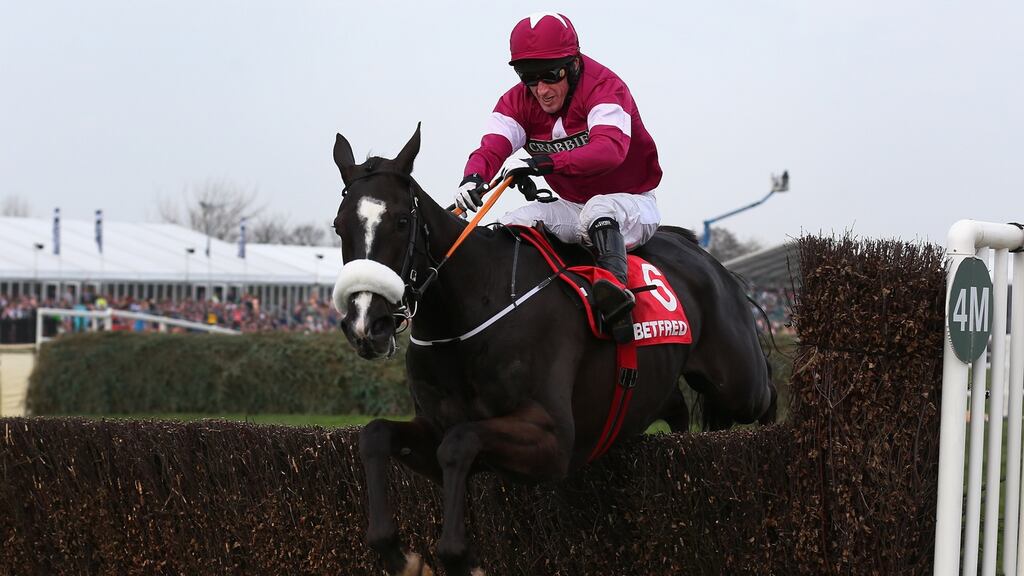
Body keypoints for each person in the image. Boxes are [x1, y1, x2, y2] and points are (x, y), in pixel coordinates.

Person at [455, 12, 663, 341]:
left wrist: (544, 162)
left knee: (599, 210)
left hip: (632, 203)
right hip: (571, 205)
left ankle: (616, 298)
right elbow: (491, 147)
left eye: (551, 75)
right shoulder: (516, 102)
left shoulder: (605, 88)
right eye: (529, 77)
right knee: (515, 221)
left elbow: (610, 150)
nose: (542, 91)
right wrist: (473, 178)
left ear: (574, 64)